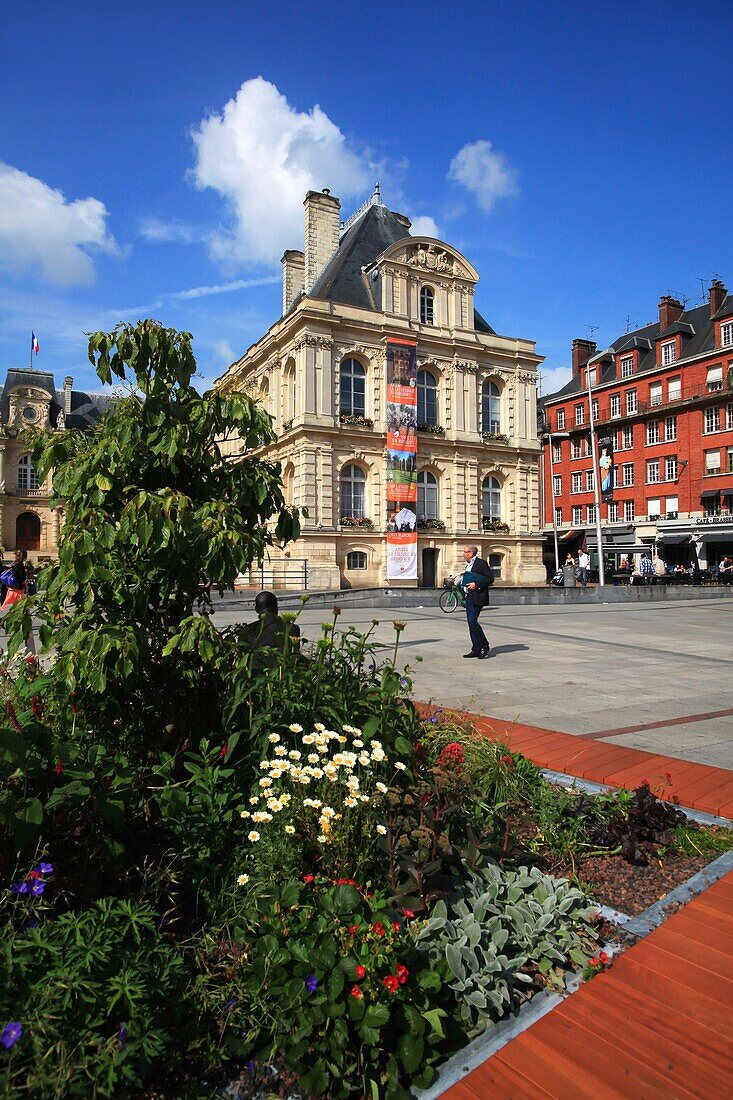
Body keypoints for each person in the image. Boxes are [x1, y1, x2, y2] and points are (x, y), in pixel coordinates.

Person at [244, 591, 300, 665]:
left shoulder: (248, 630)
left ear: (256, 609)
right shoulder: (293, 628)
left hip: (256, 672)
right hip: (284, 670)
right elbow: (295, 655)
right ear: (276, 607)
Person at [460, 545, 493, 659]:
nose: (463, 554)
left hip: (478, 596)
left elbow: (489, 578)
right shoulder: (468, 565)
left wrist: (476, 585)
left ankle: (484, 645)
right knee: (470, 623)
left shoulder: (481, 563)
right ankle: (476, 648)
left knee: (473, 621)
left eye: (465, 552)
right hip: (469, 596)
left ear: (471, 553)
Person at [1, 549, 36, 655]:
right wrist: (24, 581)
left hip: (13, 591)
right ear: (24, 557)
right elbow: (18, 577)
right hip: (18, 592)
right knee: (19, 609)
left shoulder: (15, 563)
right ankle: (6, 622)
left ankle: (11, 622)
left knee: (17, 609)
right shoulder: (19, 565)